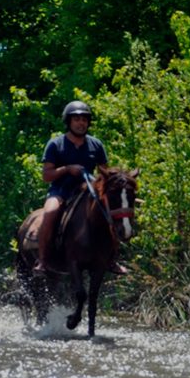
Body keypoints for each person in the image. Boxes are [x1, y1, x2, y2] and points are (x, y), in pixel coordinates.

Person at [35, 100, 127, 275]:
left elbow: (104, 173)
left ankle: (113, 258)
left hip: (89, 190)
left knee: (111, 211)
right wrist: (67, 169)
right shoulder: (56, 144)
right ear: (69, 122)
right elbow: (47, 175)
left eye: (84, 119)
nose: (81, 123)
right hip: (61, 190)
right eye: (76, 119)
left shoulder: (96, 145)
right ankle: (43, 258)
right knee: (50, 212)